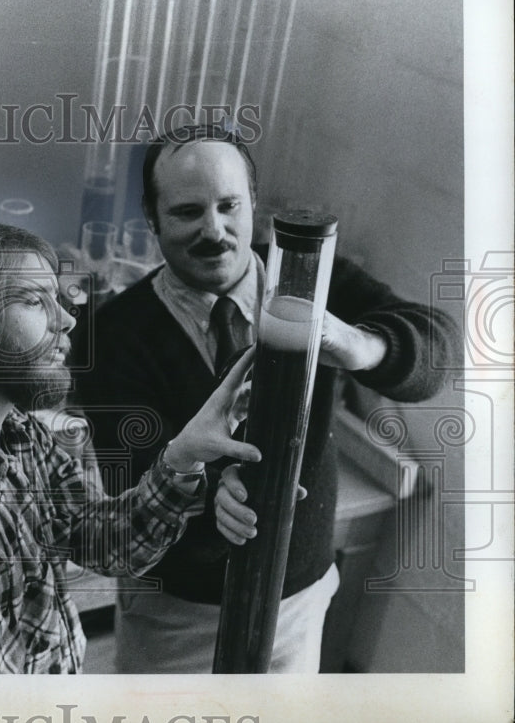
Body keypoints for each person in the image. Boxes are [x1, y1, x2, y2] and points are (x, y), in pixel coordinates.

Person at [72, 124, 459, 673]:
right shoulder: (109, 333)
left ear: (253, 203)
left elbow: (438, 352)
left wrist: (356, 343)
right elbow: (133, 490)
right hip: (177, 617)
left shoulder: (314, 281)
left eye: (230, 205)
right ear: (151, 216)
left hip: (297, 602)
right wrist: (212, 493)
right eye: (187, 212)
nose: (216, 230)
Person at [0, 222, 261, 673]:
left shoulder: (14, 431)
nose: (67, 318)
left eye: (56, 297)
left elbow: (104, 541)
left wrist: (184, 456)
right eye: (33, 300)